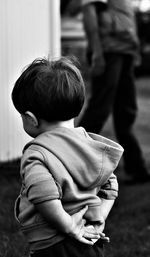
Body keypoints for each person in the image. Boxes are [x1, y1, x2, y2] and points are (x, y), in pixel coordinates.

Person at [12, 56, 123, 257]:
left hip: (53, 244)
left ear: (31, 119)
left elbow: (45, 195)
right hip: (90, 238)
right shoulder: (90, 145)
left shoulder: (37, 153)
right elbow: (110, 185)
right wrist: (98, 219)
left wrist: (70, 227)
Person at [78, 0, 150, 183]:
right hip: (109, 52)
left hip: (125, 53)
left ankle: (137, 168)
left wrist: (135, 52)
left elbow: (127, 20)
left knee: (126, 111)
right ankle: (70, 162)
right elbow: (89, 12)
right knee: (99, 109)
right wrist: (97, 53)